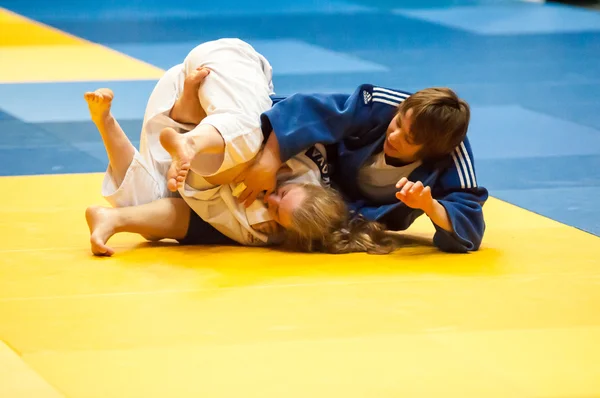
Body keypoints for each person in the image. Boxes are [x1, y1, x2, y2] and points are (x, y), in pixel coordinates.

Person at [84, 39, 396, 256]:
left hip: (173, 113)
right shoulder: (311, 160)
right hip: (225, 70)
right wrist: (269, 161)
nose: (271, 198)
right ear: (316, 189)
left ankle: (107, 125)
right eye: (282, 195)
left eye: (274, 210)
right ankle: (194, 133)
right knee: (249, 146)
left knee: (147, 206)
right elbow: (301, 108)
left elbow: (187, 217)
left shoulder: (268, 229)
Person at [234, 85, 489, 253]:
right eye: (398, 122)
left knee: (258, 223)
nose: (395, 136)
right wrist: (268, 160)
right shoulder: (381, 105)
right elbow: (305, 109)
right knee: (239, 147)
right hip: (306, 157)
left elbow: (470, 224)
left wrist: (429, 205)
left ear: (430, 152)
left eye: (408, 140)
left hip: (336, 209)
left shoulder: (450, 156)